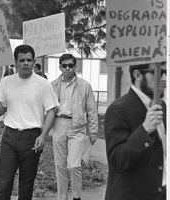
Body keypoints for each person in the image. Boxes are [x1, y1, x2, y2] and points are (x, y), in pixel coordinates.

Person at [0, 44, 59, 200]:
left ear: (34, 62)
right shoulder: (6, 82)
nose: (25, 63)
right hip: (9, 137)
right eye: (22, 60)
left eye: (29, 60)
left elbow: (52, 110)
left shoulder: (42, 84)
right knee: (4, 183)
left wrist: (43, 135)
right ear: (15, 62)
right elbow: (0, 111)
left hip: (32, 138)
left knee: (26, 185)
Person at [104, 62, 166, 200]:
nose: (164, 78)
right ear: (138, 75)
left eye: (166, 72)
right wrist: (145, 129)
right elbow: (118, 162)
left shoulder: (162, 106)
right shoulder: (118, 109)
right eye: (158, 72)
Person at [50, 53, 98, 200]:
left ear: (75, 67)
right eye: (64, 65)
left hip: (77, 126)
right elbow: (47, 108)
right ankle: (62, 197)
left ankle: (77, 196)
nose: (67, 68)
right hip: (58, 124)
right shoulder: (53, 85)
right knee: (60, 166)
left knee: (74, 165)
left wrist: (93, 131)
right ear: (60, 67)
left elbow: (91, 110)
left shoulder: (85, 86)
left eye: (70, 65)